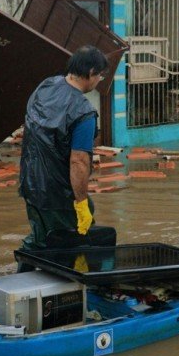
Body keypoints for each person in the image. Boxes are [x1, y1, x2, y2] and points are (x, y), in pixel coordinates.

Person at [17, 45, 108, 264]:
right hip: (58, 194)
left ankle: (21, 283)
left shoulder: (46, 86)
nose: (99, 82)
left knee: (41, 239)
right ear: (91, 73)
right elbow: (79, 161)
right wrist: (81, 203)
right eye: (100, 76)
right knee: (79, 244)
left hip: (30, 184)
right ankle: (79, 292)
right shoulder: (83, 112)